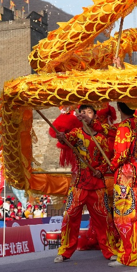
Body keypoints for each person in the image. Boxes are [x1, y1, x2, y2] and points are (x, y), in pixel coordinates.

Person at [53, 105, 116, 263]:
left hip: (97, 185)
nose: (85, 115)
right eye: (82, 112)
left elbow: (106, 160)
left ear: (94, 116)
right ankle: (65, 251)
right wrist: (61, 137)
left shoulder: (102, 138)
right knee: (70, 216)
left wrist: (100, 171)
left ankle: (109, 250)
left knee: (104, 219)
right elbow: (67, 140)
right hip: (79, 185)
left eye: (89, 112)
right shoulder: (76, 134)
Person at [108, 102, 137, 267]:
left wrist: (111, 166)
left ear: (119, 108)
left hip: (125, 176)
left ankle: (128, 256)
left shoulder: (125, 126)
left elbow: (122, 153)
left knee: (125, 216)